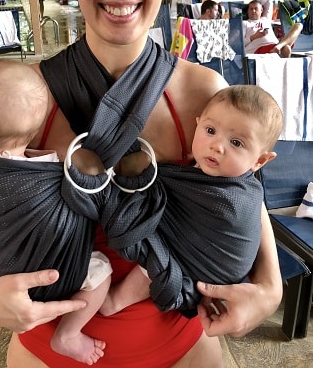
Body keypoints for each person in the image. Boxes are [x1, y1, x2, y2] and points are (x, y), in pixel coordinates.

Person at [0, 0, 283, 367]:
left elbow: (241, 200)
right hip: (48, 352)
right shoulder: (21, 94)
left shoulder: (203, 94)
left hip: (179, 346)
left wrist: (271, 287)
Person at [68, 84, 283, 318]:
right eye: (210, 130)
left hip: (206, 271)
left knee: (155, 259)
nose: (217, 146)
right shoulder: (192, 172)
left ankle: (115, 301)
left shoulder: (236, 198)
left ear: (259, 161)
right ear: (197, 124)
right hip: (195, 267)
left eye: (237, 143)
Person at [0, 59, 112, 365]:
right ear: (38, 130)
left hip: (3, 280)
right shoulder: (55, 172)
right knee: (101, 268)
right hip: (57, 279)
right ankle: (68, 333)